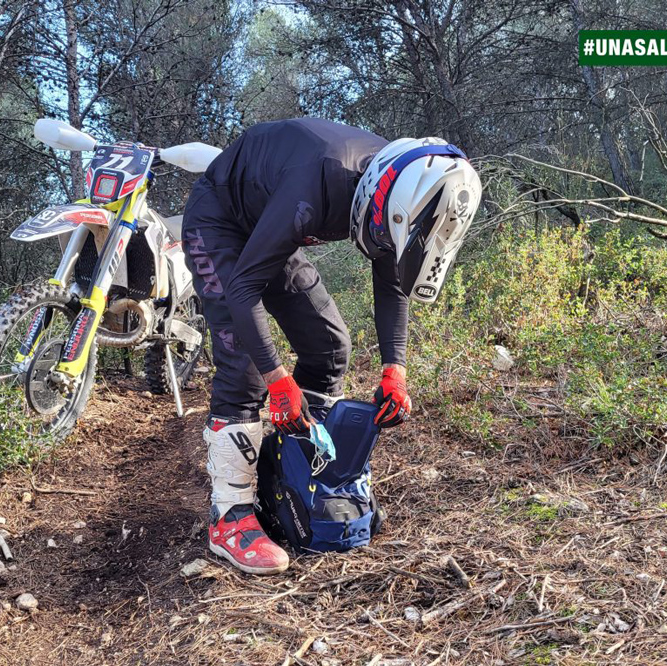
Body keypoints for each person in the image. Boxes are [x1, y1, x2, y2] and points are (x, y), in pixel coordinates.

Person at [181, 117, 482, 574]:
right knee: (244, 363)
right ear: (381, 204)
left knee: (329, 345)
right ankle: (229, 515)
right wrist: (278, 380)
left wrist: (395, 370)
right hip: (219, 219)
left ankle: (297, 474)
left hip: (271, 222)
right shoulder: (319, 184)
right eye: (382, 234)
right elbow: (242, 288)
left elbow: (393, 281)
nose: (379, 242)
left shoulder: (399, 178)